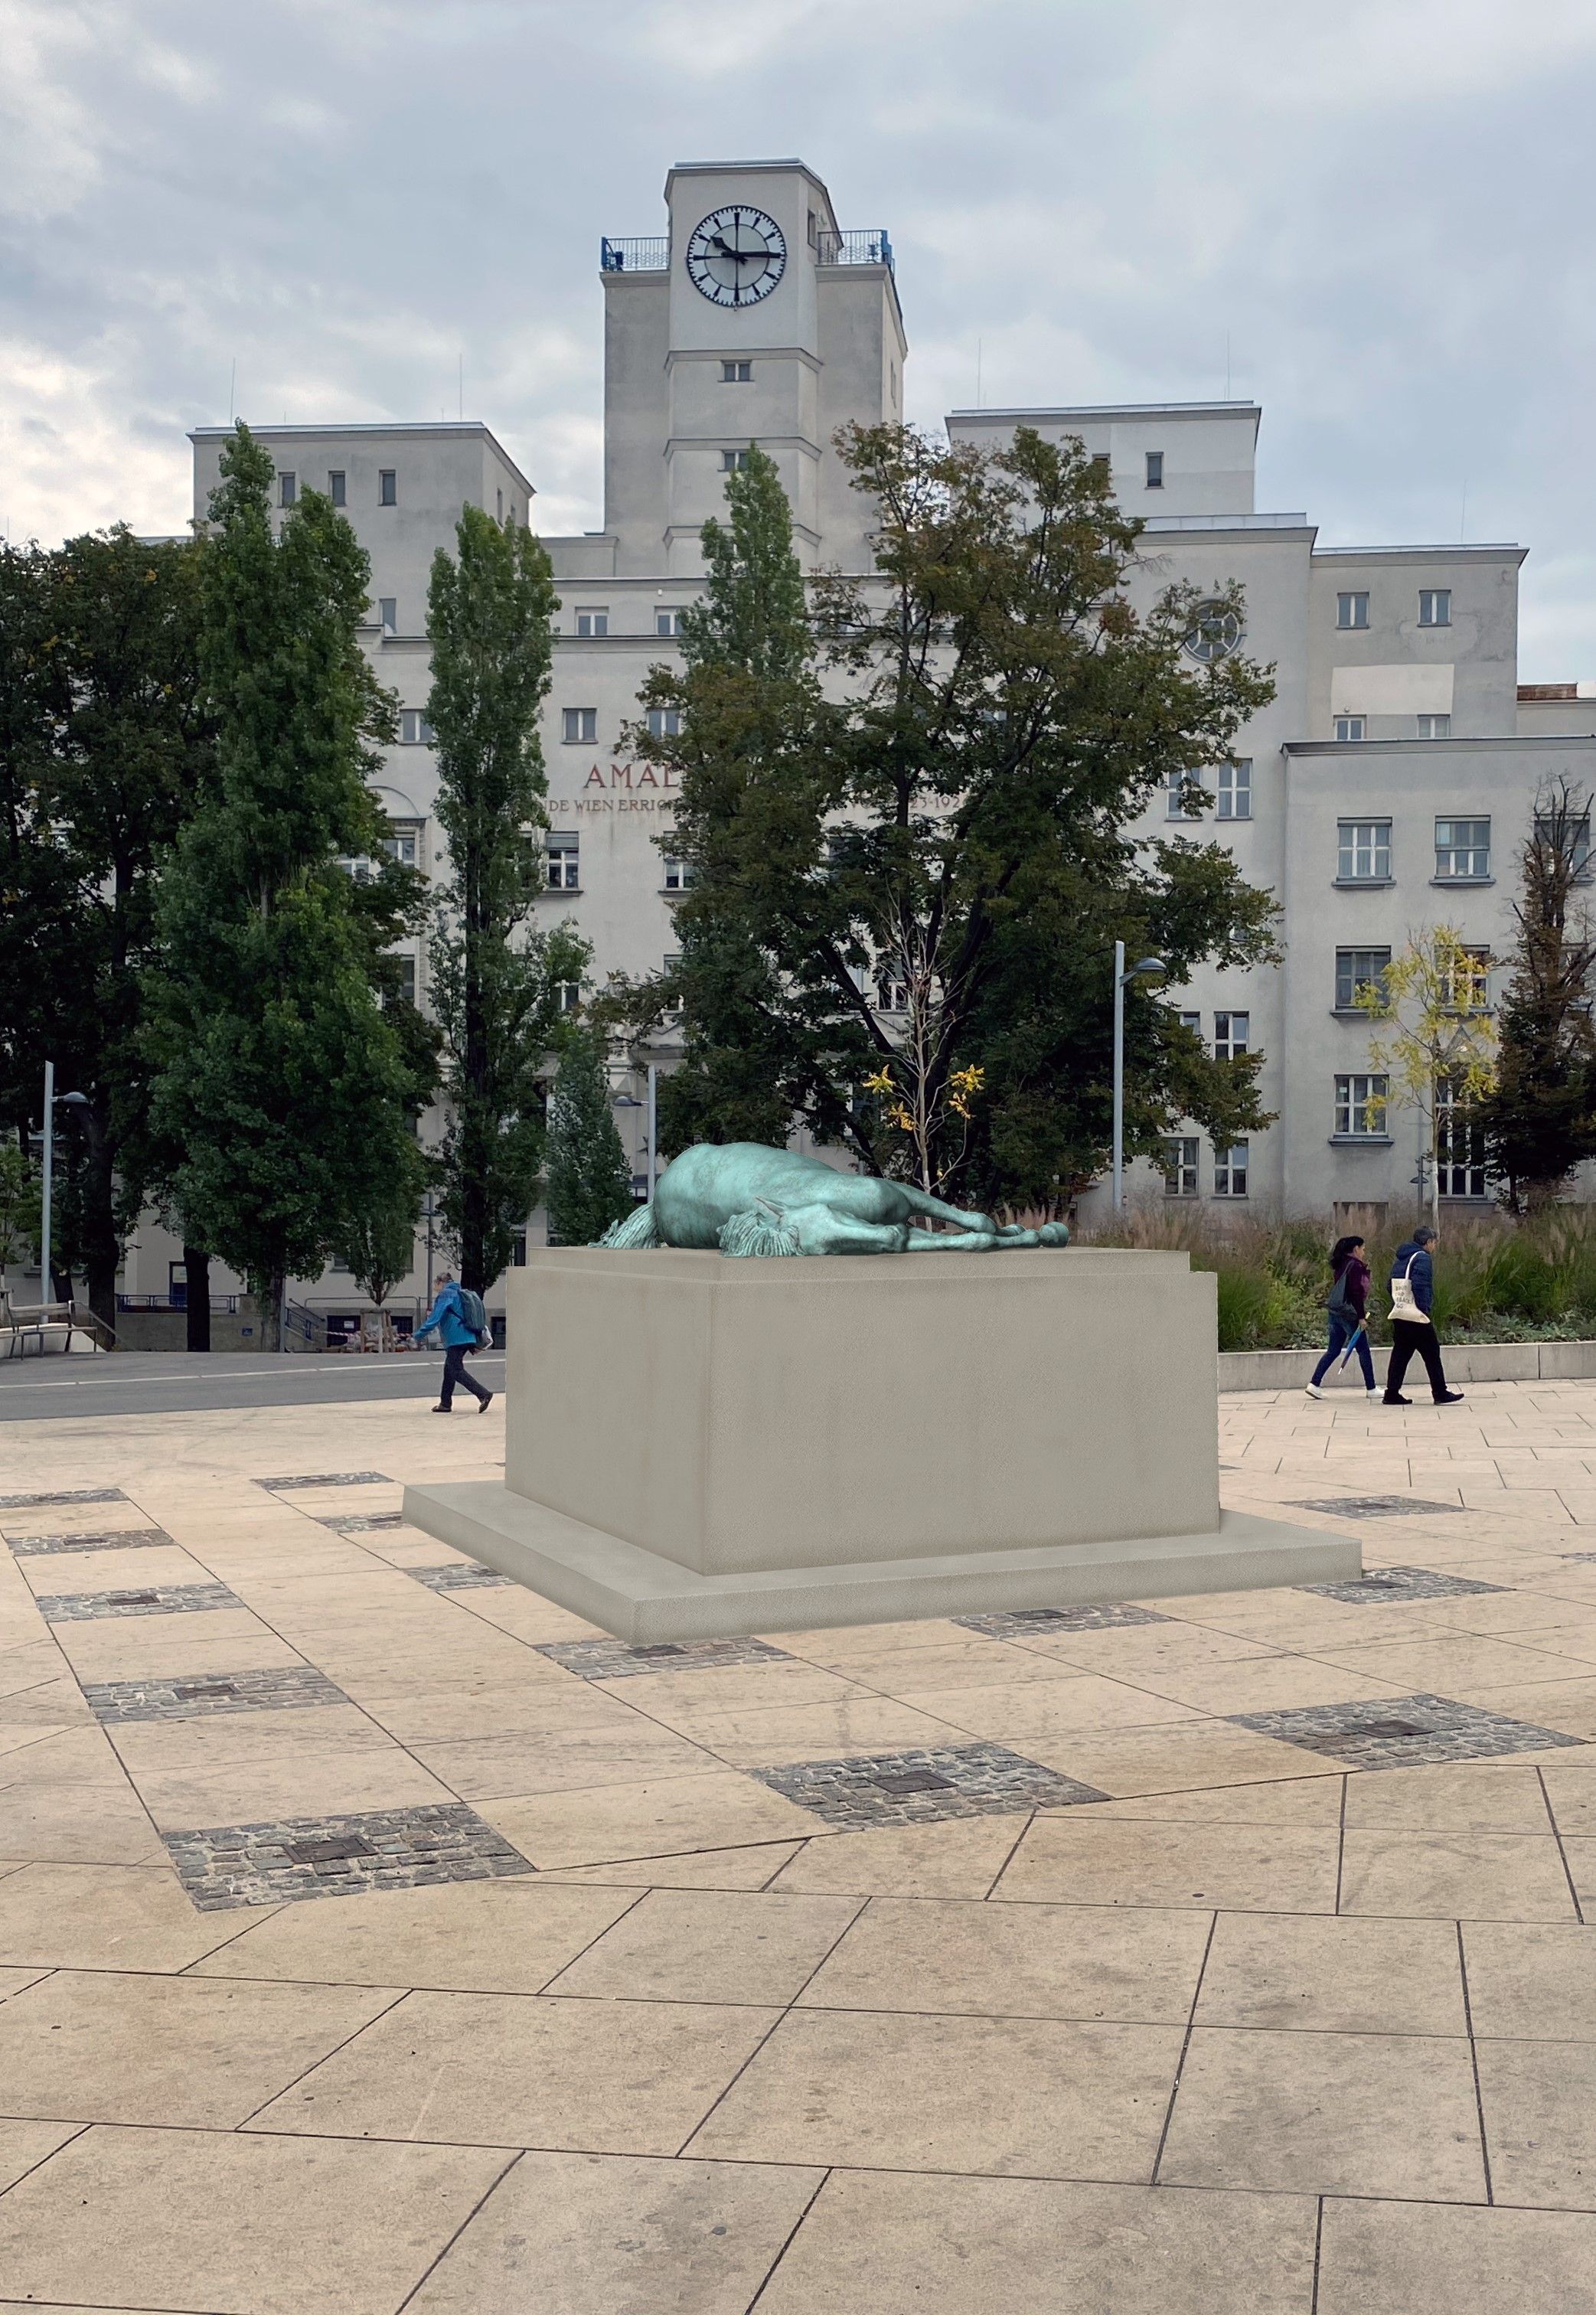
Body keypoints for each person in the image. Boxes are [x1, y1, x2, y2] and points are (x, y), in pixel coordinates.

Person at [1383, 1224, 1464, 1407]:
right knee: (1432, 1352)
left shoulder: (1402, 1257)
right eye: (1434, 1242)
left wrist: (1399, 1303)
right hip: (1415, 1315)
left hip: (1400, 1312)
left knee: (1401, 1353)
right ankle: (1440, 1392)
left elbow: (1390, 1285)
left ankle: (1392, 1393)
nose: (1435, 1246)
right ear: (1428, 1242)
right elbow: (1420, 1285)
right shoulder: (1423, 1258)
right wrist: (1423, 1308)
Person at [1305, 1235, 1378, 1402]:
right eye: (1363, 1249)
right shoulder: (1356, 1266)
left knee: (1333, 1350)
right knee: (1363, 1350)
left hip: (1335, 1313)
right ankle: (1371, 1387)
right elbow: (1356, 1293)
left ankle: (1314, 1383)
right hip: (1349, 1314)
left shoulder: (1341, 1265)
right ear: (1356, 1249)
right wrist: (1361, 1317)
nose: (1364, 1253)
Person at [413, 1270, 494, 1415]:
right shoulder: (460, 1293)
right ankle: (445, 1403)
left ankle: (483, 1394)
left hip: (457, 1338)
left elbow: (435, 1317)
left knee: (456, 1370)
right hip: (468, 1336)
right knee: (449, 1369)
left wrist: (419, 1334)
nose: (435, 1288)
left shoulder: (446, 1294)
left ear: (440, 1282)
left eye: (435, 1284)